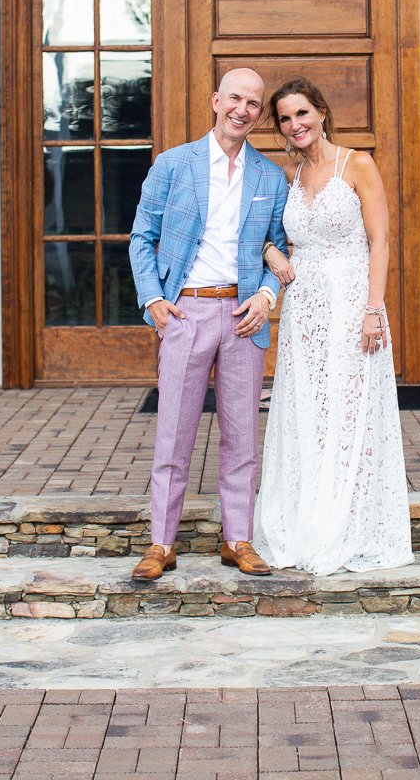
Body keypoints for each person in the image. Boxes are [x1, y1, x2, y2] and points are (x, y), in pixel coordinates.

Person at [129, 68, 289, 580]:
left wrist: (267, 295)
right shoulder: (174, 164)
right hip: (185, 312)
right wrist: (153, 300)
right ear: (216, 100)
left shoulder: (268, 175)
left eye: (254, 103)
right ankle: (161, 544)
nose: (243, 109)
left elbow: (280, 248)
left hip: (244, 316)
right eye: (235, 98)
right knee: (173, 434)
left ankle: (237, 538)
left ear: (260, 113)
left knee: (242, 435)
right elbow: (141, 238)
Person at [253, 77, 413, 575]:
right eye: (284, 118)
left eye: (302, 113)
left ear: (321, 112)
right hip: (304, 309)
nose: (295, 124)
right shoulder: (290, 174)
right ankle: (307, 516)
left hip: (351, 302)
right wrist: (271, 251)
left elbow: (380, 242)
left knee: (351, 409)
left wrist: (373, 310)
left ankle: (351, 524)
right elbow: (269, 236)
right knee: (308, 410)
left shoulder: (357, 163)